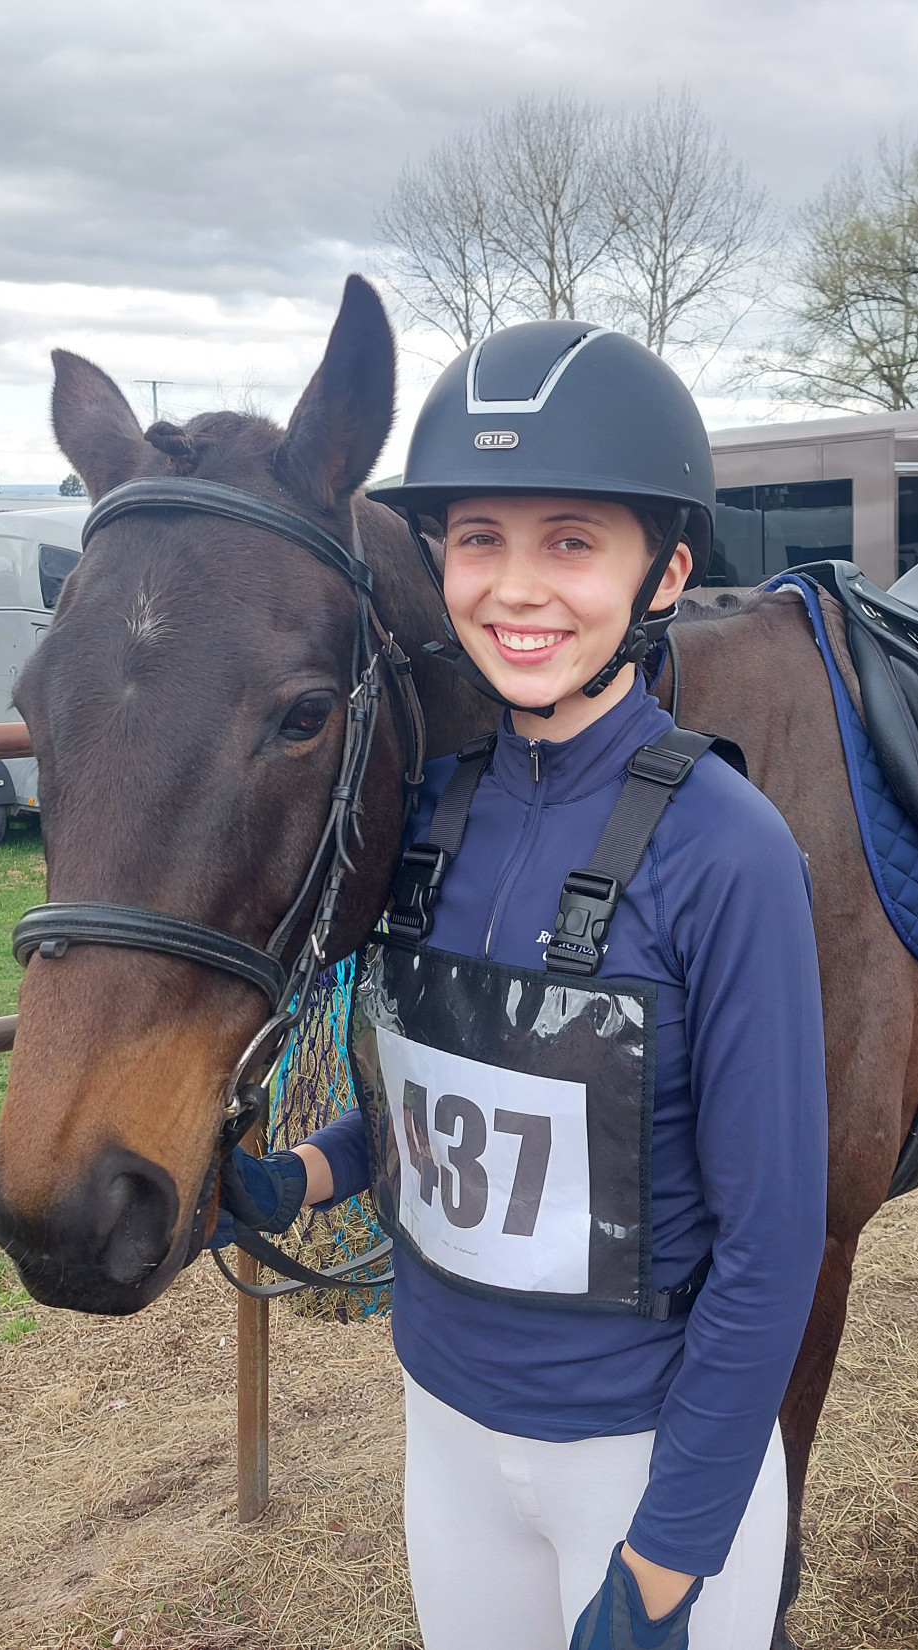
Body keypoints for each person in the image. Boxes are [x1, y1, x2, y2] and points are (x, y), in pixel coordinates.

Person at [216, 323, 828, 1650]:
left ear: (662, 571)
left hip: (641, 1462)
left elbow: (773, 1251)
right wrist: (303, 1177)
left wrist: (667, 1565)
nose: (515, 587)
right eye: (480, 538)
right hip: (444, 1428)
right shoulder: (430, 817)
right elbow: (464, 1110)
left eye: (571, 540)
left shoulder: (729, 853)